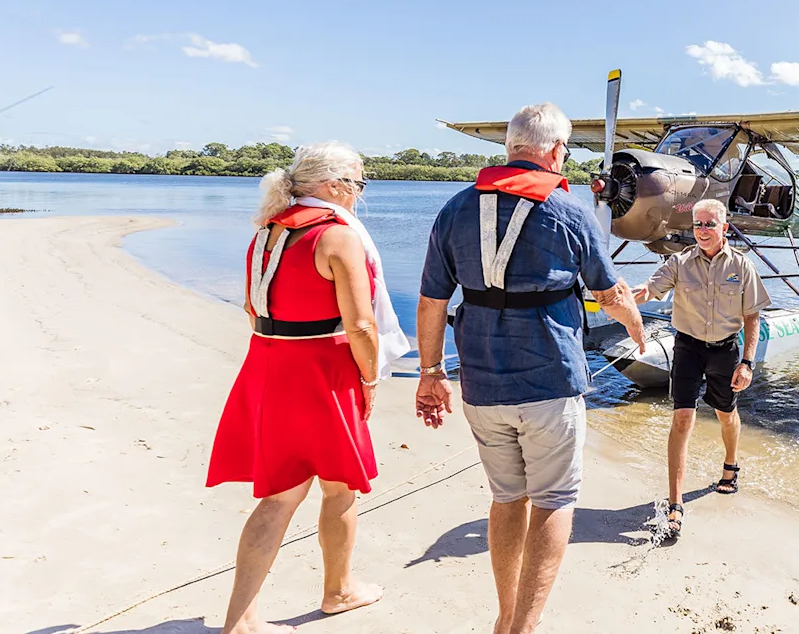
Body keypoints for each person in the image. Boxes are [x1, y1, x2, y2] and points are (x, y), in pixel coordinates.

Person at [414, 102, 646, 634]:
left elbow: (430, 303)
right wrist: (638, 330)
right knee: (555, 500)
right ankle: (523, 626)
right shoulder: (569, 213)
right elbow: (610, 293)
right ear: (556, 150)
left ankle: (503, 617)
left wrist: (431, 373)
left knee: (506, 498)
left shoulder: (454, 209)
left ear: (510, 148)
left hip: (481, 384)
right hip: (551, 386)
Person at [207, 141, 410, 634]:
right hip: (321, 370)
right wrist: (368, 377)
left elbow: (253, 307)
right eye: (359, 184)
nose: (360, 195)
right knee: (339, 488)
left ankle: (242, 617)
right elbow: (361, 325)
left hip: (268, 363)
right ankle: (337, 592)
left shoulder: (268, 232)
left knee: (279, 495)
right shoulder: (337, 237)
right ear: (334, 186)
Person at [631, 198, 770, 541]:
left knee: (725, 413)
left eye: (710, 224)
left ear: (724, 228)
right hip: (688, 348)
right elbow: (650, 289)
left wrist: (748, 363)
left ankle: (731, 463)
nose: (703, 230)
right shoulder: (679, 262)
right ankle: (675, 503)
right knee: (681, 418)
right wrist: (622, 296)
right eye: (697, 224)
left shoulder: (743, 266)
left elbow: (752, 317)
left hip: (725, 350)